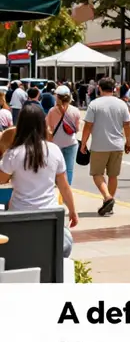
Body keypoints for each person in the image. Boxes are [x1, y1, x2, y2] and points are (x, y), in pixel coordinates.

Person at [0, 103, 79, 258]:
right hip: (50, 219)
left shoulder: (13, 154)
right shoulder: (54, 150)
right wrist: (73, 211)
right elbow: (64, 186)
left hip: (19, 220)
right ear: (43, 124)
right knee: (66, 242)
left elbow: (1, 179)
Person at [80, 77, 130, 216]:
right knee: (113, 175)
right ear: (114, 88)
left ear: (99, 88)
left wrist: (83, 143)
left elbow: (88, 126)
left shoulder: (95, 104)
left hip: (99, 145)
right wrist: (128, 142)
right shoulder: (122, 104)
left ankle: (107, 197)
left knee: (97, 174)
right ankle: (109, 202)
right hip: (117, 144)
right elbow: (127, 125)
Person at [46, 85, 81, 185]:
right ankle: (67, 188)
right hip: (71, 143)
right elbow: (77, 129)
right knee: (69, 169)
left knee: (55, 168)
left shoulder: (52, 111)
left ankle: (56, 186)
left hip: (56, 144)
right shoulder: (75, 110)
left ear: (57, 97)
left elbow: (48, 128)